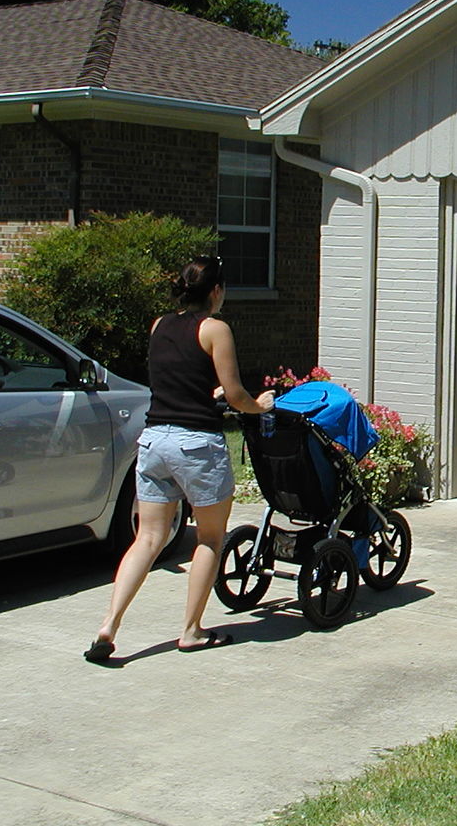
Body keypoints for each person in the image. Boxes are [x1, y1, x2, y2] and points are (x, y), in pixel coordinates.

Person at [84, 256, 274, 661]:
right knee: (209, 538)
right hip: (196, 445)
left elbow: (179, 378)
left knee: (147, 539)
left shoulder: (159, 325)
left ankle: (109, 625)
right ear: (217, 292)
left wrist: (213, 393)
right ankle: (191, 630)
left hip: (153, 442)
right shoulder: (215, 329)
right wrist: (259, 405)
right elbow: (237, 394)